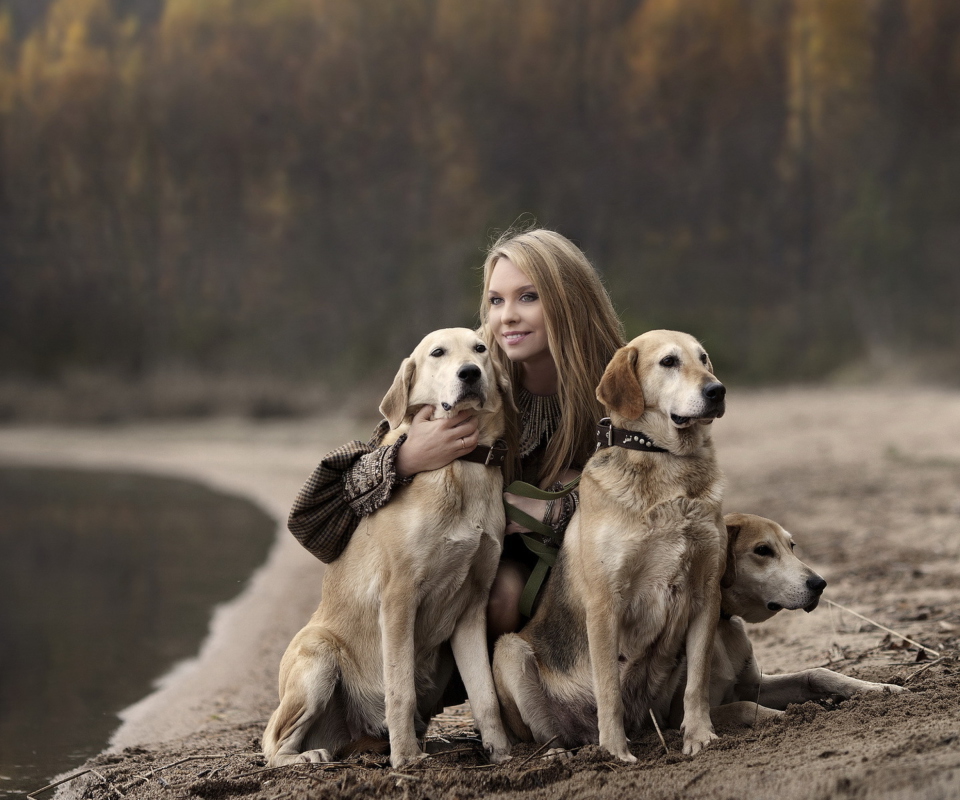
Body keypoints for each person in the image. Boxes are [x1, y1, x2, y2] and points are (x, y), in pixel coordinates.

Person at [288, 227, 625, 636]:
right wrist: (407, 457)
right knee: (501, 595)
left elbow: (656, 496)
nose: (507, 317)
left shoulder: (620, 381)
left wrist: (562, 507)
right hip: (481, 562)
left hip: (597, 556)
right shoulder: (466, 367)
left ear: (569, 299)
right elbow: (321, 516)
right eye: (496, 301)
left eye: (528, 297)